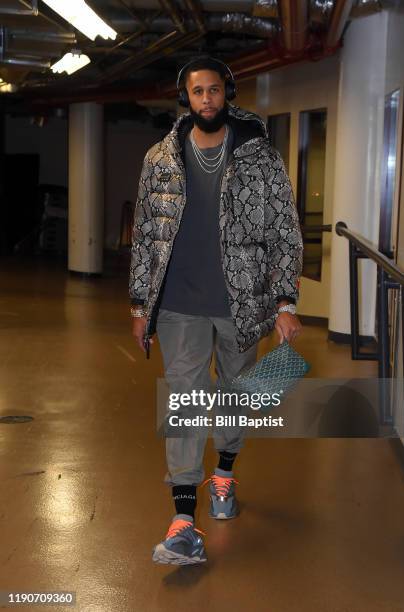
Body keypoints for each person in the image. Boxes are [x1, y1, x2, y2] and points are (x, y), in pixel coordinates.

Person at [129, 55, 303, 565]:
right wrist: (142, 304)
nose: (206, 99)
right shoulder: (159, 160)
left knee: (237, 394)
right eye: (196, 91)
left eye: (213, 90)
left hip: (241, 303)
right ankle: (183, 519)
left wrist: (284, 303)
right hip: (180, 302)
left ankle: (223, 473)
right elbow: (145, 236)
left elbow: (284, 233)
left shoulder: (260, 157)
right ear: (186, 97)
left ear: (227, 93)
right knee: (184, 399)